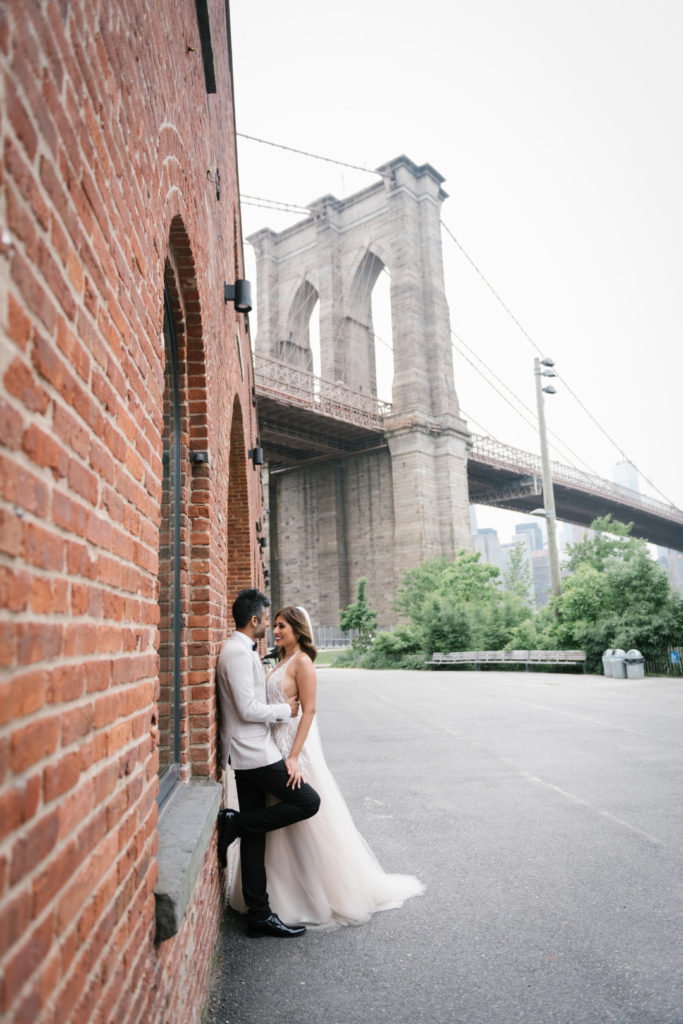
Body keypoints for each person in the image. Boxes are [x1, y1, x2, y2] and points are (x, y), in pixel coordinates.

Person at [228, 605, 424, 928]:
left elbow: (309, 711)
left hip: (292, 752)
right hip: (271, 750)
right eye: (274, 625)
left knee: (306, 824)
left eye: (282, 627)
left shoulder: (303, 663)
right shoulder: (282, 661)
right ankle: (274, 897)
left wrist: (293, 756)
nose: (276, 631)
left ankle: (311, 897)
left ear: (297, 630)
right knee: (279, 828)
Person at [216, 589, 321, 938]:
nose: (271, 627)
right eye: (268, 620)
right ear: (255, 620)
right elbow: (248, 709)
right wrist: (285, 711)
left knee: (256, 836)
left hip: (256, 750)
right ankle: (235, 824)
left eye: (280, 625)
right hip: (254, 753)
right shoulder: (236, 654)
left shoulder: (247, 653)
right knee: (307, 801)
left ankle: (259, 914)